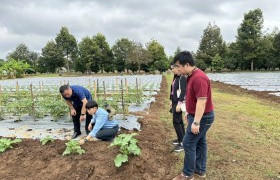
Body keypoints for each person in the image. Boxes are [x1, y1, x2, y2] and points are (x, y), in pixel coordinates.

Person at [172, 51, 215, 180]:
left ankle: (187, 174)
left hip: (203, 117)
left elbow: (202, 101)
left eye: (178, 66)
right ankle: (200, 170)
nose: (177, 69)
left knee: (188, 143)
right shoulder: (190, 75)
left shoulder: (199, 78)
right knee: (201, 142)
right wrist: (189, 113)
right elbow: (193, 99)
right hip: (196, 115)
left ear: (186, 64)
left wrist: (196, 122)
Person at [170, 62, 187, 152]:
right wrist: (171, 100)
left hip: (177, 103)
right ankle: (181, 139)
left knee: (176, 122)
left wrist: (179, 104)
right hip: (174, 101)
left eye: (173, 68)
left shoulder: (182, 78)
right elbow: (172, 90)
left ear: (177, 68)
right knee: (179, 121)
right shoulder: (176, 77)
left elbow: (183, 91)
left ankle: (182, 143)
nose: (172, 70)